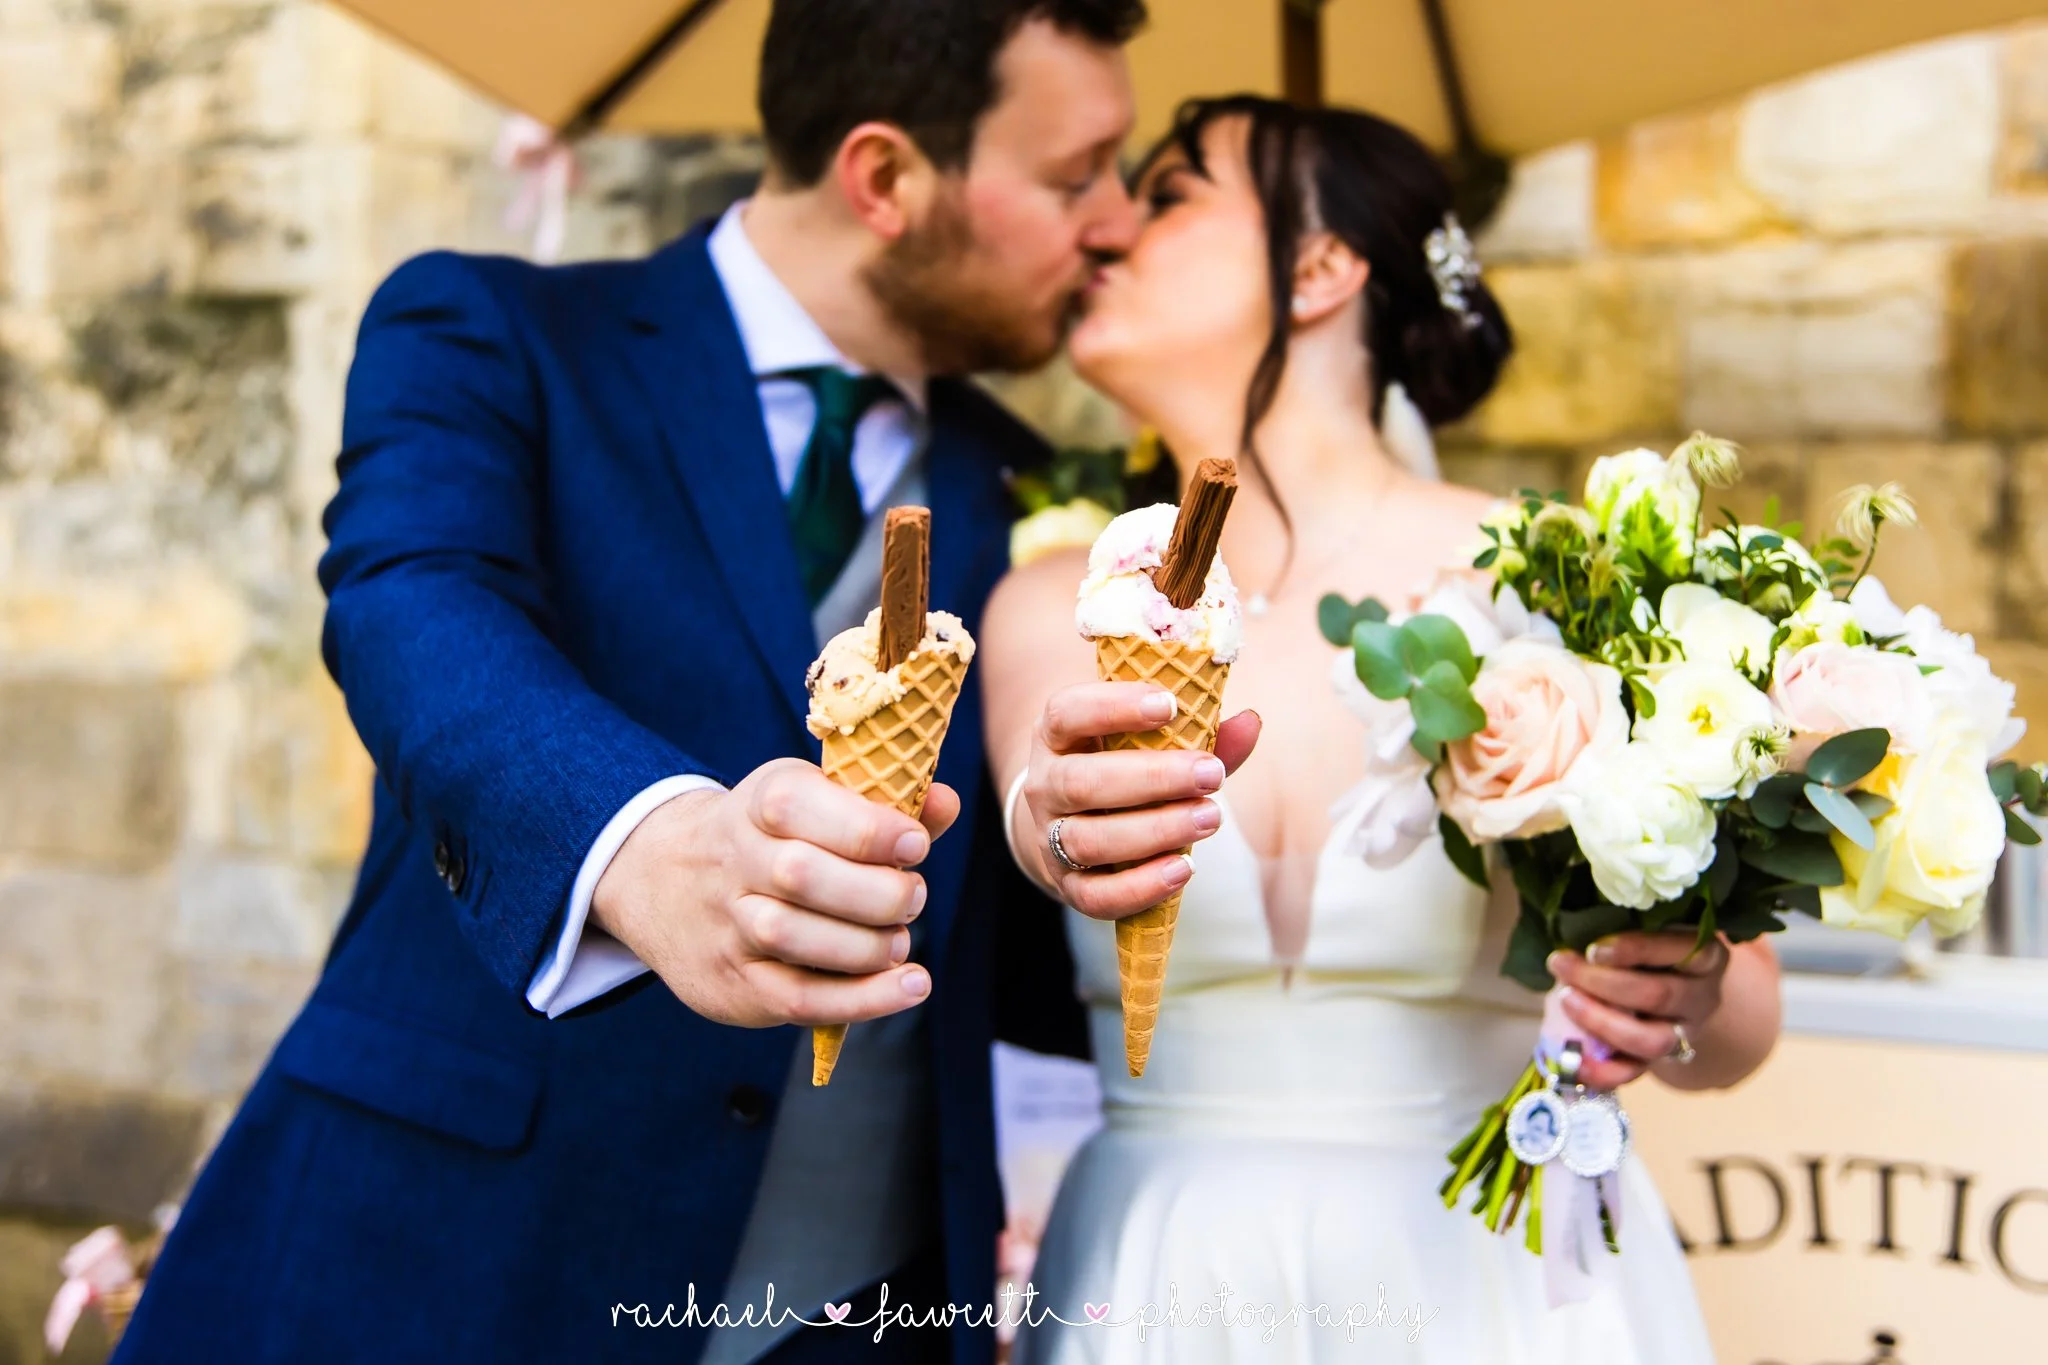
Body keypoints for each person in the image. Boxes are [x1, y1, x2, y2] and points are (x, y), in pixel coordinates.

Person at [114, 5, 1258, 1363]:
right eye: (1076, 176)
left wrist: (1063, 837)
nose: (1116, 223)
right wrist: (650, 846)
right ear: (884, 178)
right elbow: (413, 606)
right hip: (451, 1265)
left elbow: (994, 917)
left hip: (869, 1310)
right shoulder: (496, 333)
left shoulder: (1034, 490)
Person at [980, 96, 1783, 1362]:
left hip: (1490, 1277)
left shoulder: (1556, 579)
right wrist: (1055, 816)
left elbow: (1731, 1033)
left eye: (1173, 190)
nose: (1109, 228)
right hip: (1161, 1272)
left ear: (1319, 267)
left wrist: (1679, 990)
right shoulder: (1054, 597)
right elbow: (1043, 789)